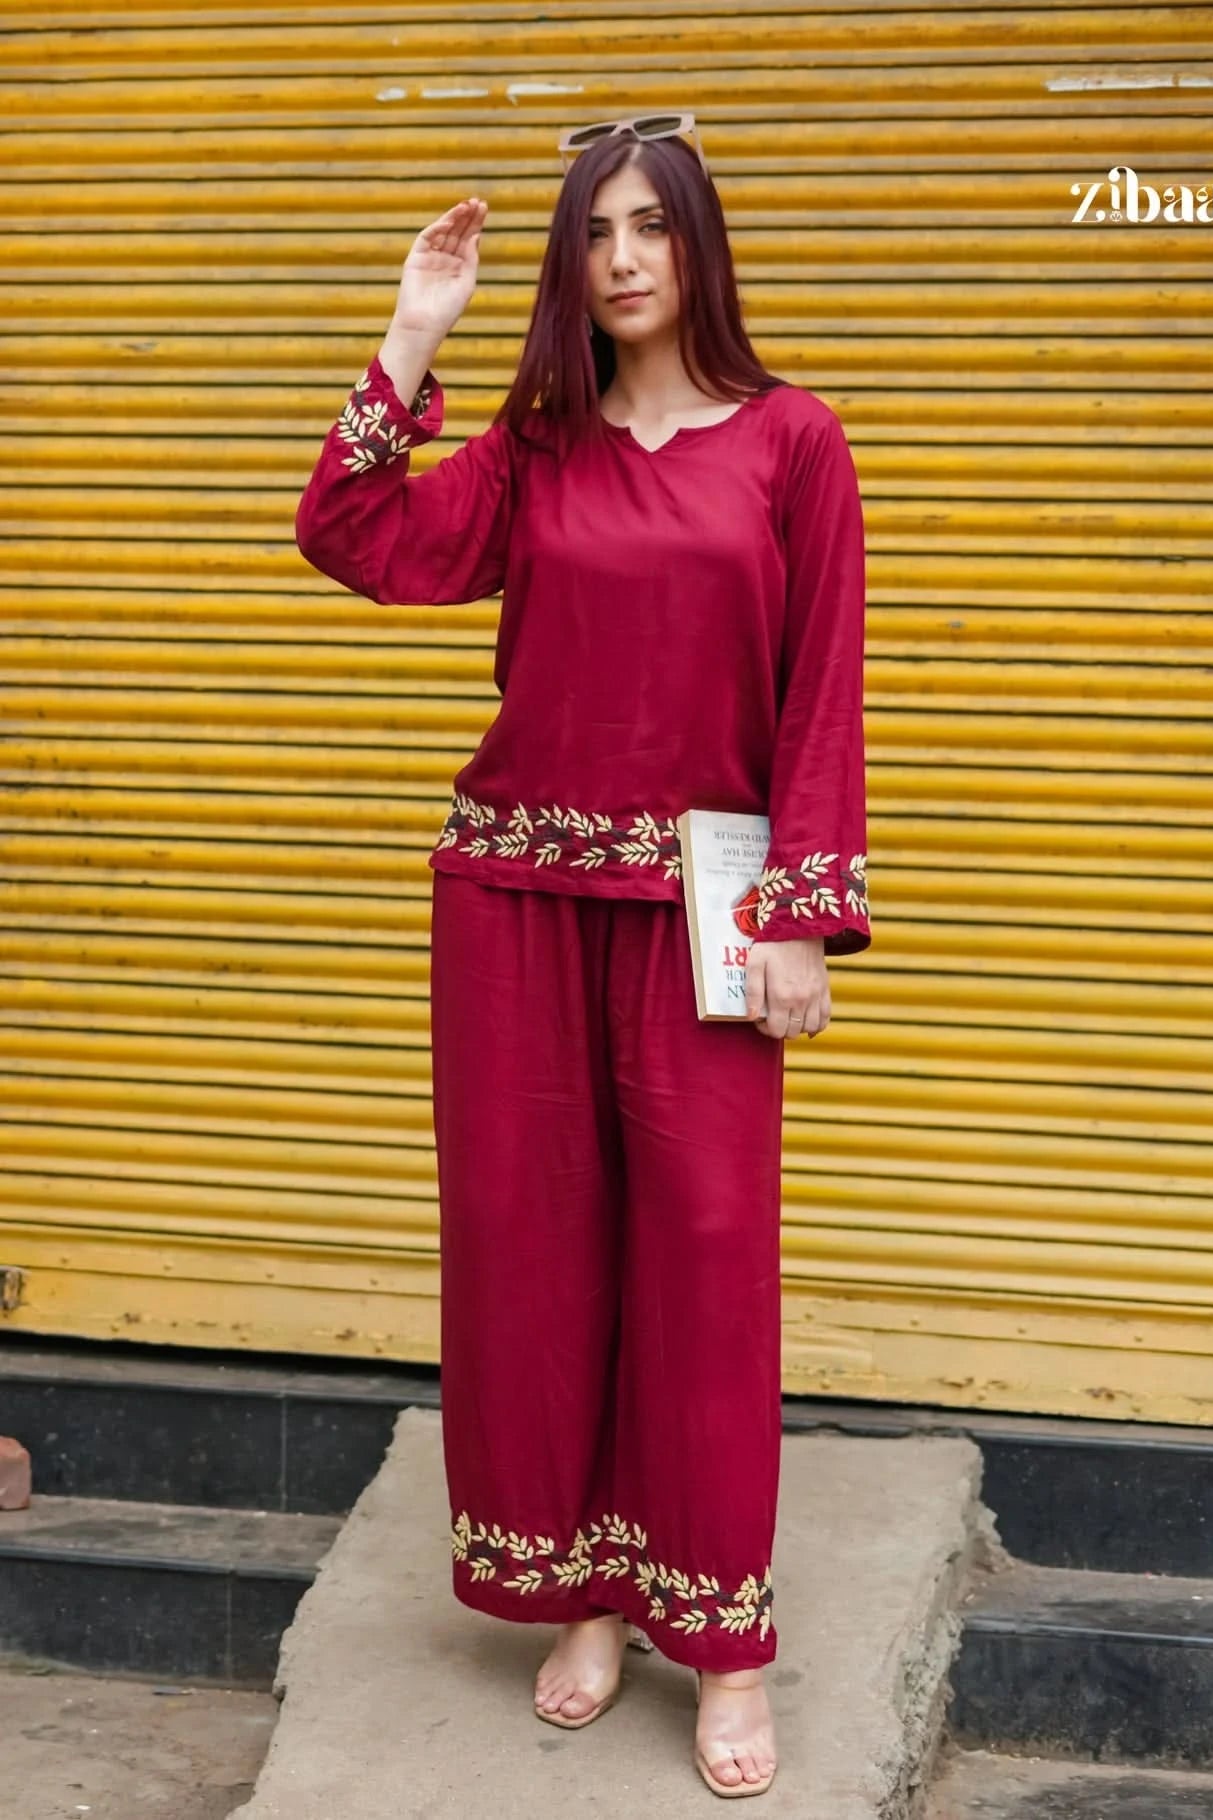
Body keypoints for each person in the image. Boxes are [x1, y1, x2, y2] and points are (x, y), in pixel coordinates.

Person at [294, 113, 870, 1800]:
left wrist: (803, 919)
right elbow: (351, 534)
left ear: (697, 246)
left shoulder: (792, 444)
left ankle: (726, 1638)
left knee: (702, 1263)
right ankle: (590, 1598)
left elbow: (822, 694)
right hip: (515, 905)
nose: (620, 257)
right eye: (593, 232)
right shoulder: (534, 446)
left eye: (649, 226)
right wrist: (417, 327)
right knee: (539, 1264)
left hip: (708, 907)